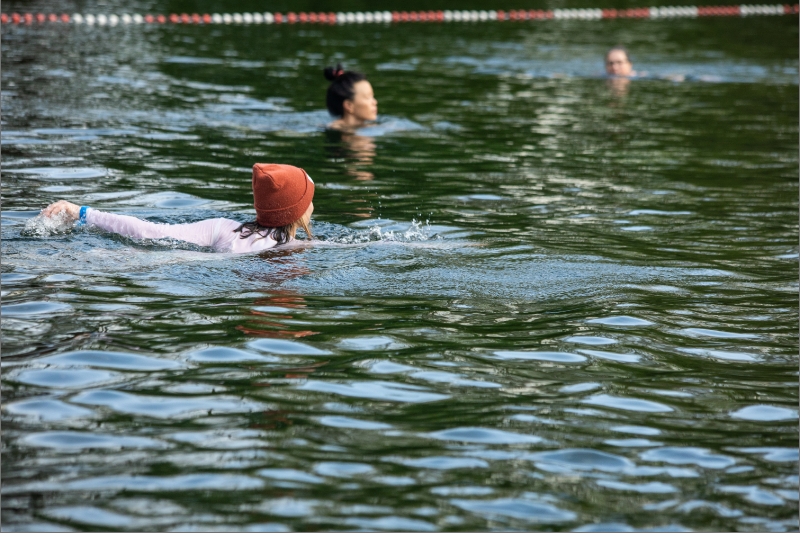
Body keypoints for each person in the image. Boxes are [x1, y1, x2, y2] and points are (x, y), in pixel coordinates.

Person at [40, 163, 315, 254]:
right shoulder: (300, 249)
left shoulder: (222, 228)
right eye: (309, 199)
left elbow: (150, 231)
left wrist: (85, 213)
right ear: (298, 212)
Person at [324, 64, 378, 130]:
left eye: (372, 97)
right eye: (367, 97)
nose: (375, 102)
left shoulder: (369, 126)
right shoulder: (334, 129)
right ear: (349, 105)